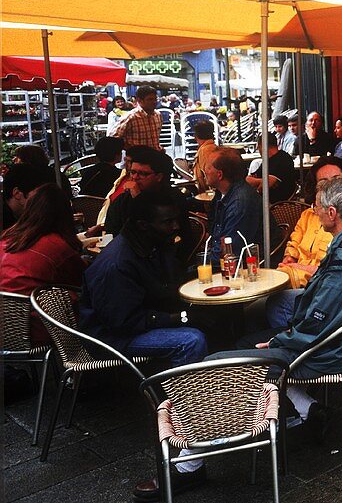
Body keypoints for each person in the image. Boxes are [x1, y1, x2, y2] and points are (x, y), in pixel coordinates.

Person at [212, 177, 342, 443]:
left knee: (221, 362)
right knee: (249, 338)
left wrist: (279, 340)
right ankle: (305, 410)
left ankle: (193, 460)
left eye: (317, 206)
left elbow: (317, 324)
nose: (313, 211)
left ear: (332, 213)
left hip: (326, 352)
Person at [79, 189, 209, 499]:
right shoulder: (117, 263)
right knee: (191, 341)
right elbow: (121, 321)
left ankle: (206, 404)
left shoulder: (152, 244)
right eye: (167, 223)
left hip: (133, 321)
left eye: (175, 221)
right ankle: (187, 441)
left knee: (206, 324)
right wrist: (178, 319)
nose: (175, 227)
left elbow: (167, 286)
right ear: (142, 225)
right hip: (111, 338)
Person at [0, 184, 85, 344]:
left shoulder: (6, 238)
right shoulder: (56, 246)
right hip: (34, 330)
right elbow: (83, 281)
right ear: (64, 214)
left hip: (6, 331)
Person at [278, 157, 342, 292]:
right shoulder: (308, 214)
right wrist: (289, 257)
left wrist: (298, 270)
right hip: (294, 278)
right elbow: (294, 242)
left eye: (336, 179)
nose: (331, 186)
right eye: (323, 182)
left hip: (327, 289)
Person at [204, 147, 263, 261]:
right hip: (223, 259)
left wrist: (203, 263)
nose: (204, 170)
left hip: (246, 266)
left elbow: (231, 250)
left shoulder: (239, 203)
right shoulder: (221, 194)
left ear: (219, 175)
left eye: (208, 167)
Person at [247, 133, 298, 203]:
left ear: (262, 146)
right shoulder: (267, 161)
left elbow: (268, 183)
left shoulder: (283, 159)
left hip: (278, 205)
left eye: (258, 147)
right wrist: (261, 181)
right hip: (265, 202)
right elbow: (248, 180)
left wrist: (260, 181)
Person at [112, 85, 162, 151]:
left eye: (155, 99)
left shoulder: (158, 115)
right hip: (137, 159)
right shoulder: (130, 117)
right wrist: (130, 149)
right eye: (150, 99)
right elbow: (113, 138)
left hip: (156, 156)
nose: (154, 102)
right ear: (140, 100)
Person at [191, 120, 217, 192]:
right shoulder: (214, 147)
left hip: (207, 194)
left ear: (196, 136)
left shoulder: (204, 151)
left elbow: (208, 178)